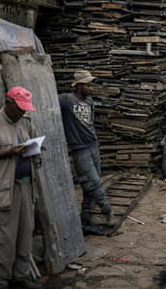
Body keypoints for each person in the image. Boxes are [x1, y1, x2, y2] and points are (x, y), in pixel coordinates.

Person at [0, 87, 43, 289]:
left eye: (25, 109)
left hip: (26, 187)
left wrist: (35, 149)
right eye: (19, 108)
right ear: (8, 102)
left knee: (24, 235)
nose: (22, 112)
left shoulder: (25, 122)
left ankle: (21, 277)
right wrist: (9, 152)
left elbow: (34, 145)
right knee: (3, 239)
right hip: (2, 191)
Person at [59, 70, 115, 227]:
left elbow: (90, 123)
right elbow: (48, 105)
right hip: (80, 148)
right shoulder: (66, 100)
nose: (92, 88)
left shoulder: (89, 101)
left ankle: (86, 214)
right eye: (88, 85)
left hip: (93, 145)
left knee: (90, 184)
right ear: (79, 86)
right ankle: (108, 212)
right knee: (95, 182)